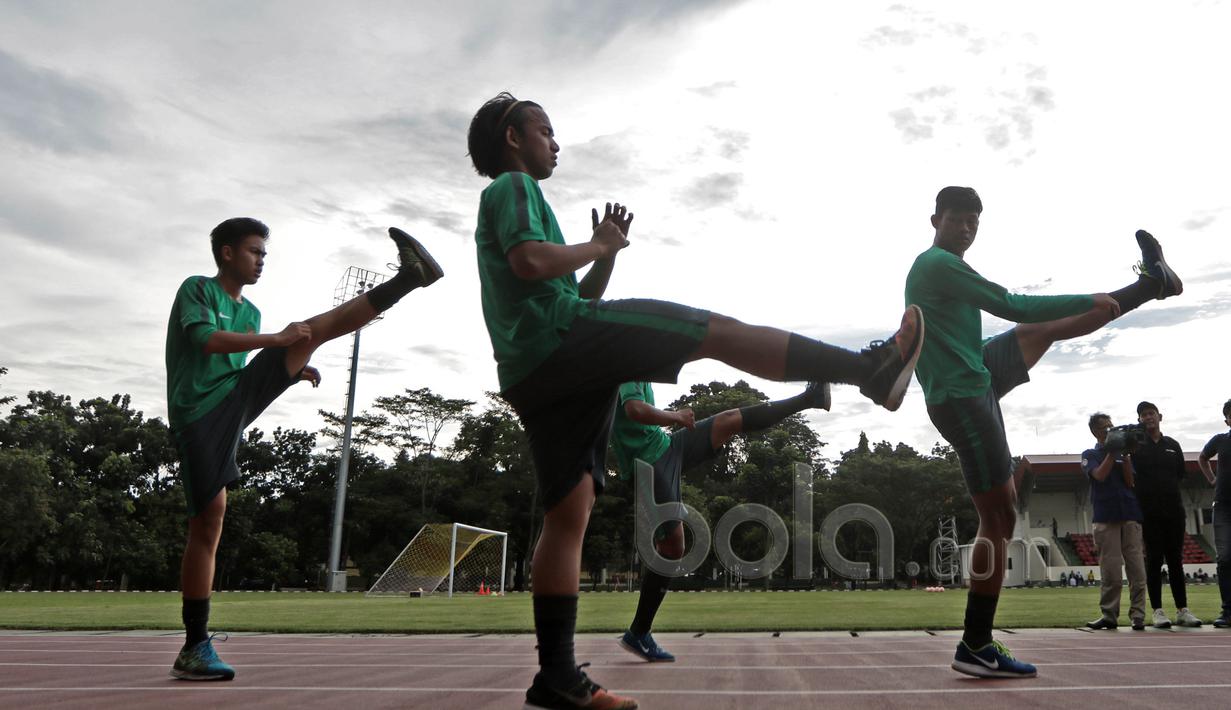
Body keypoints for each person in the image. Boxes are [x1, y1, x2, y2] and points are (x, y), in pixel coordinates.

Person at [467, 92, 925, 710]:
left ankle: (556, 677)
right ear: (512, 137)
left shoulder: (504, 201)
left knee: (567, 515)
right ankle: (869, 369)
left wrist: (606, 254)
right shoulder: (513, 189)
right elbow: (530, 263)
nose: (556, 143)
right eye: (546, 131)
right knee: (713, 330)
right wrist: (599, 246)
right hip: (559, 340)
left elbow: (562, 284)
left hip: (532, 370)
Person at [905, 186, 1182, 678]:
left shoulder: (946, 269)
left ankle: (1151, 284)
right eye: (957, 220)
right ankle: (975, 643)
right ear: (935, 221)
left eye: (973, 221)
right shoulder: (937, 264)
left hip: (977, 370)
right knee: (1000, 516)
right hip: (963, 397)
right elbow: (1012, 304)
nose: (966, 228)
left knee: (1045, 329)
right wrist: (1091, 299)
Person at [165, 218, 442, 680]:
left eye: (264, 253)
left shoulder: (250, 311)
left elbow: (243, 369)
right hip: (199, 414)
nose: (261, 260)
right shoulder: (197, 289)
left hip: (235, 398)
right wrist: (276, 342)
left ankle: (408, 278)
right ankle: (194, 645)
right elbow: (206, 341)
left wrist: (289, 370)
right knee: (207, 523)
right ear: (227, 253)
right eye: (254, 251)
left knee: (314, 330)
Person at [613, 380, 831, 662]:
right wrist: (676, 417)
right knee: (673, 548)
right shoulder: (629, 363)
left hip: (667, 446)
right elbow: (634, 410)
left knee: (729, 420)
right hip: (649, 464)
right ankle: (639, 632)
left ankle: (809, 398)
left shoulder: (640, 361)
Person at [1133, 401, 1202, 628]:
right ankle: (1158, 611)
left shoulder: (1173, 445)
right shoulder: (1136, 447)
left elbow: (1180, 475)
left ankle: (1183, 610)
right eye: (1143, 415)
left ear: (1160, 416)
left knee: (1175, 561)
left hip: (1174, 511)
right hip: (1149, 513)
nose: (1148, 417)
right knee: (1153, 561)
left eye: (1151, 413)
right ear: (1139, 420)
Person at [1082, 414, 1147, 630]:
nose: (1109, 430)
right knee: (1111, 571)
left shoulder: (1122, 454)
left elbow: (1130, 481)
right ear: (1094, 431)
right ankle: (1109, 615)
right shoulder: (1090, 454)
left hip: (1129, 512)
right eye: (1104, 428)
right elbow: (1099, 476)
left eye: (1111, 426)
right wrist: (1112, 452)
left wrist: (1126, 455)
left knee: (1137, 568)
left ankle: (1138, 615)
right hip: (1105, 516)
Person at [1198, 399, 1231, 627]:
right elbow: (1202, 457)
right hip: (1224, 506)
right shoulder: (1220, 440)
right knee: (1225, 557)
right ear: (1226, 419)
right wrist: (1211, 478)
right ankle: (1228, 611)